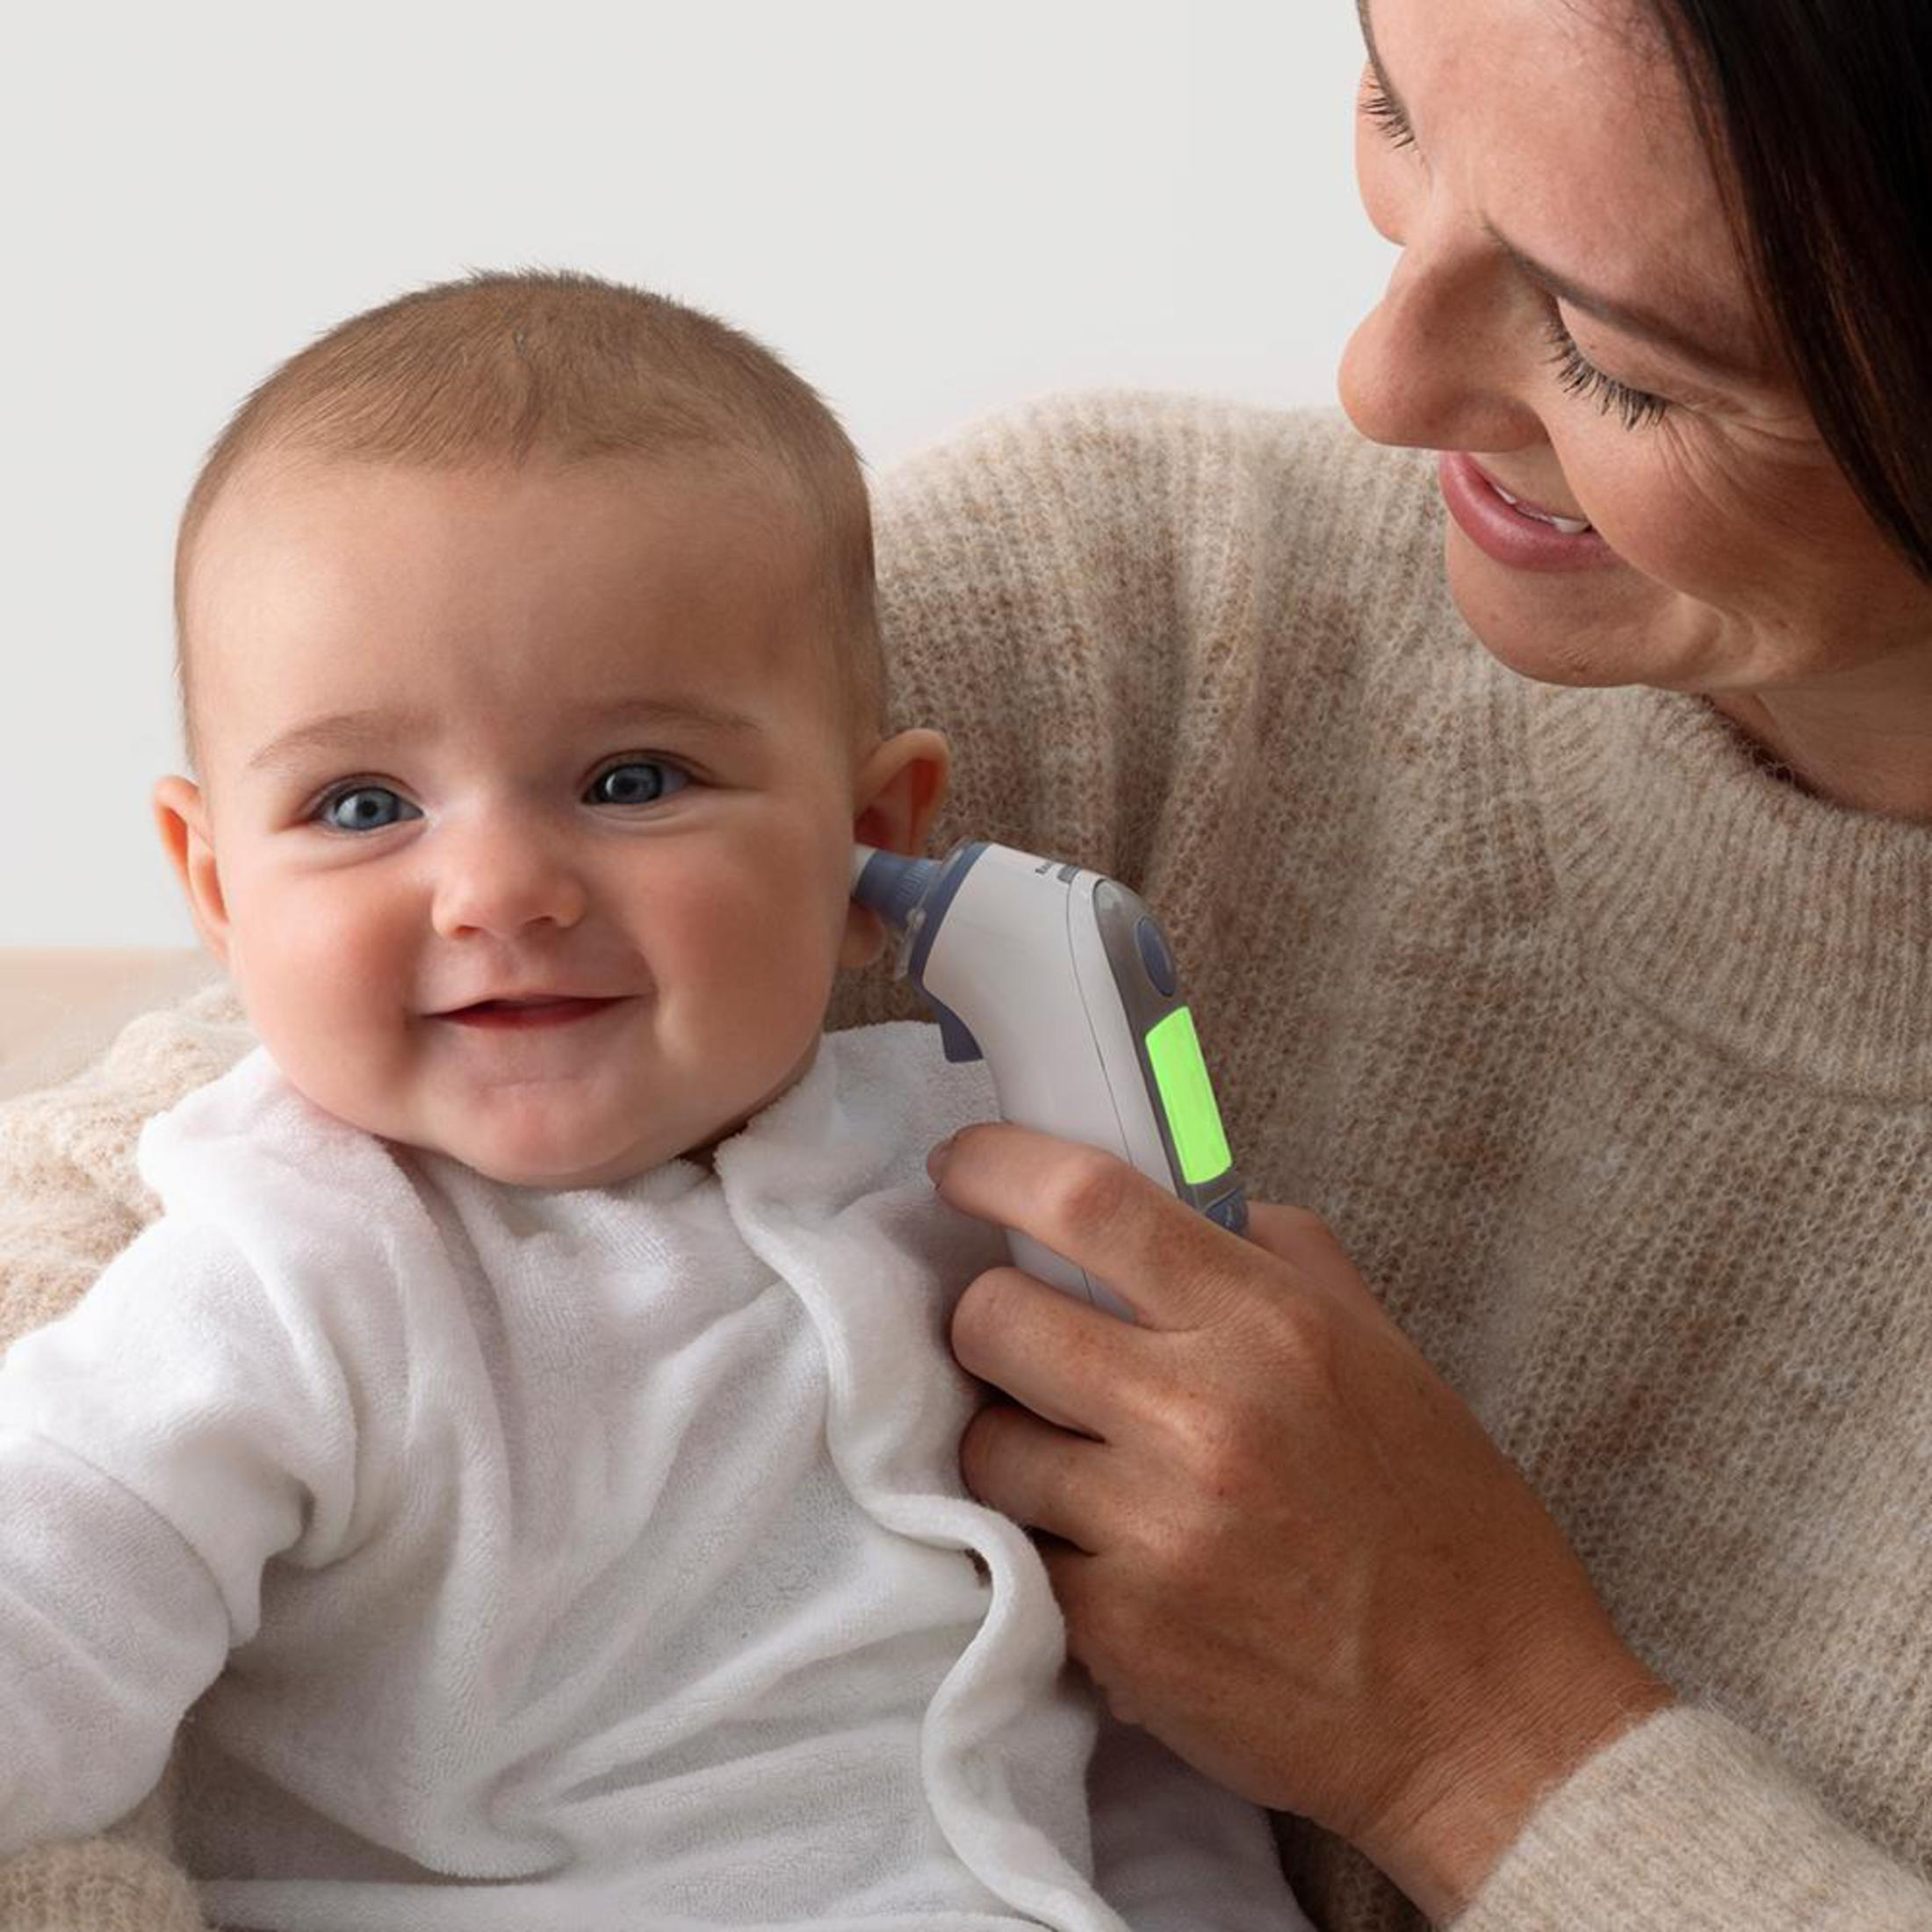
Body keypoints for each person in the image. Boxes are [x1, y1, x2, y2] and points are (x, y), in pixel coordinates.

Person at [1, 0, 1928, 1923]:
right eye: (1393, 110)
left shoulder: (939, 1178)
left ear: (882, 830)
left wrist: (1476, 1749)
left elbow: (1118, 1775)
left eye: (1618, 356)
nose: (1372, 376)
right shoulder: (303, 1259)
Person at [0, 270, 1310, 1932]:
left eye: (632, 782)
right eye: (361, 802)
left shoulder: (977, 1193)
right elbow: (44, 1603)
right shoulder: (291, 1269)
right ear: (216, 888)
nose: (497, 886)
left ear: (873, 844)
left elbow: (1135, 1729)